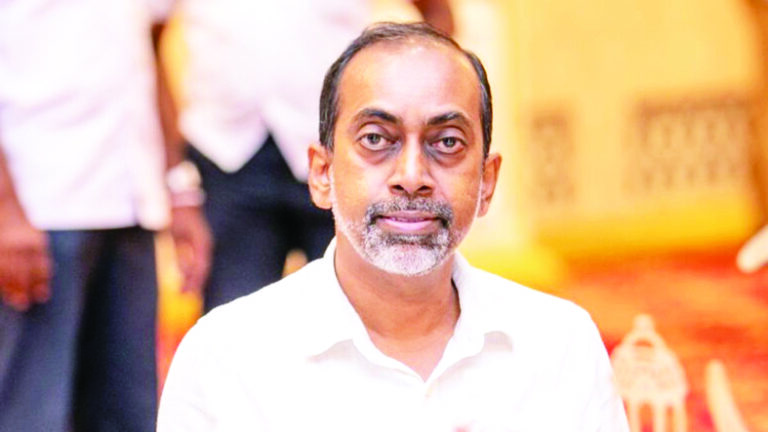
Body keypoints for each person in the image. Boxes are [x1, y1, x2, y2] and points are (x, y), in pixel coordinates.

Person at [157, 23, 630, 431]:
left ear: (486, 182)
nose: (411, 175)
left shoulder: (559, 345)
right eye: (376, 139)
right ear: (321, 174)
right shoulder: (225, 360)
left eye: (447, 142)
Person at [0, 2, 210, 431]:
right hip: (40, 209)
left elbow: (148, 53)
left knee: (128, 413)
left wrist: (178, 185)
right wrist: (5, 211)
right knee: (32, 413)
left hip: (133, 201)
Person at [178, 0, 454, 311]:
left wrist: (409, 123)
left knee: (360, 314)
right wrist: (177, 184)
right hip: (226, 157)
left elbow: (436, 11)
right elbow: (145, 42)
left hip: (347, 156)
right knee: (234, 322)